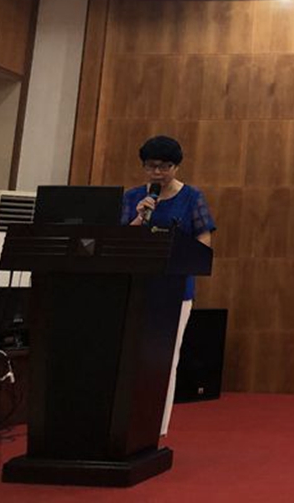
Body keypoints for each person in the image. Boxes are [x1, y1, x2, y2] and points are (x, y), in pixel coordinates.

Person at [121, 135, 215, 436]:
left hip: (176, 288)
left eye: (164, 167)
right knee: (131, 355)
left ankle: (157, 426)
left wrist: (185, 262)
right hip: (136, 286)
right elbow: (119, 241)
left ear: (176, 167)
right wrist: (139, 217)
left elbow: (203, 240)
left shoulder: (192, 197)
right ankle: (126, 420)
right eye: (150, 166)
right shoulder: (133, 197)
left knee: (166, 357)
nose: (157, 173)